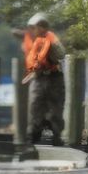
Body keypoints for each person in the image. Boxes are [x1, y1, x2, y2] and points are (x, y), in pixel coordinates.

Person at [12, 13, 65, 144]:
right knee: (34, 107)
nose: (36, 30)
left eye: (41, 26)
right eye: (34, 27)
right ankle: (33, 138)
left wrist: (50, 48)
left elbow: (61, 54)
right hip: (37, 78)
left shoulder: (51, 38)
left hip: (54, 77)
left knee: (55, 110)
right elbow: (14, 32)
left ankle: (56, 137)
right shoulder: (28, 38)